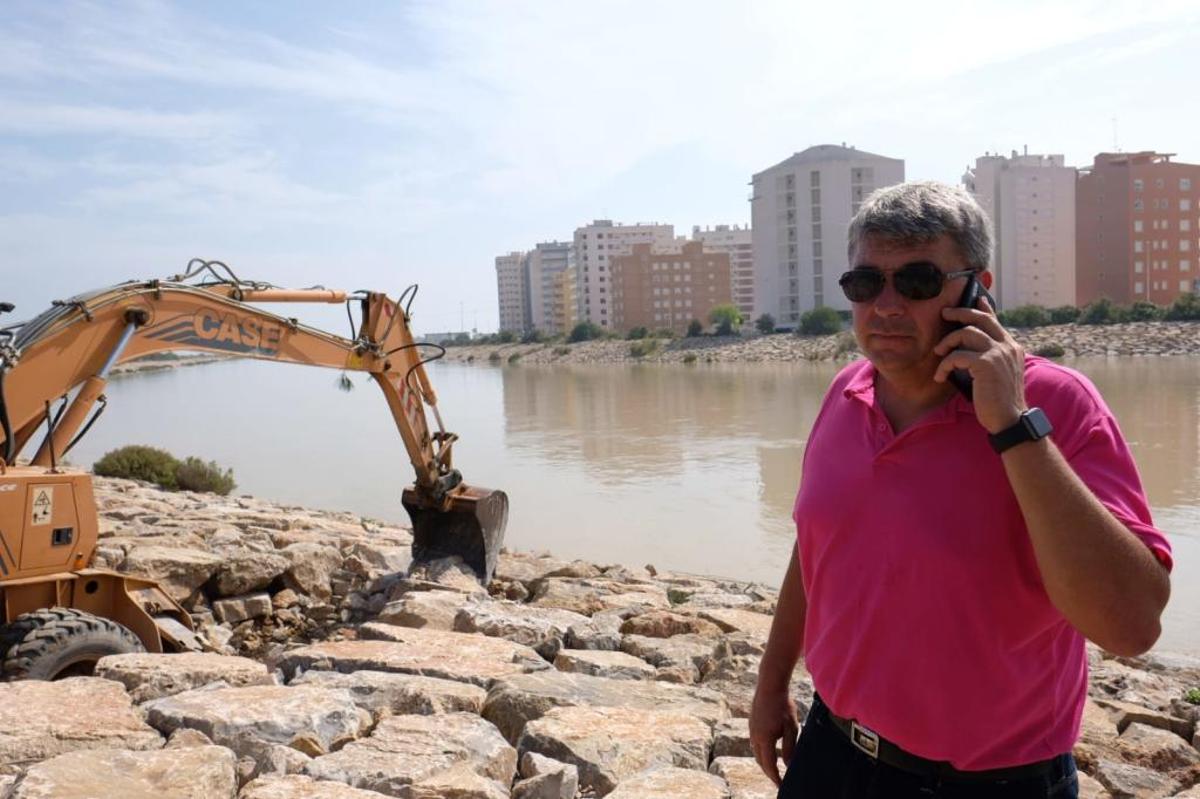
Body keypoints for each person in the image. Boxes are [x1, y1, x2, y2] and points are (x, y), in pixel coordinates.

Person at [749, 180, 1172, 799]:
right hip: (832, 753)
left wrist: (1011, 425)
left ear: (978, 289)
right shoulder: (846, 392)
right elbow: (816, 549)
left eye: (917, 281)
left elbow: (1132, 627)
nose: (887, 305)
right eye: (866, 284)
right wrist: (771, 682)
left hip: (988, 785)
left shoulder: (1058, 404)